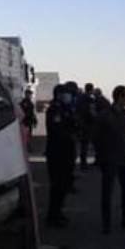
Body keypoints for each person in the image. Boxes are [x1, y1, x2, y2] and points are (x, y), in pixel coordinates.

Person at [95, 85, 125, 233]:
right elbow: (97, 138)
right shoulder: (104, 115)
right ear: (120, 97)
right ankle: (106, 223)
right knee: (107, 191)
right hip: (109, 158)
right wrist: (100, 157)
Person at [44, 84, 77, 226]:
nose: (68, 96)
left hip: (66, 152)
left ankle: (58, 212)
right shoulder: (54, 110)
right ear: (59, 95)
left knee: (63, 185)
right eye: (66, 94)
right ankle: (53, 216)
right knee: (57, 185)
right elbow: (57, 130)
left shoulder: (66, 109)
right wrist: (70, 135)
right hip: (57, 153)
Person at [76, 83, 96, 170]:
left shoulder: (79, 98)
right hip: (88, 124)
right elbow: (92, 112)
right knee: (86, 144)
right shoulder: (90, 99)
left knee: (83, 144)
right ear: (91, 90)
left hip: (80, 123)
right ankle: (84, 164)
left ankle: (82, 162)